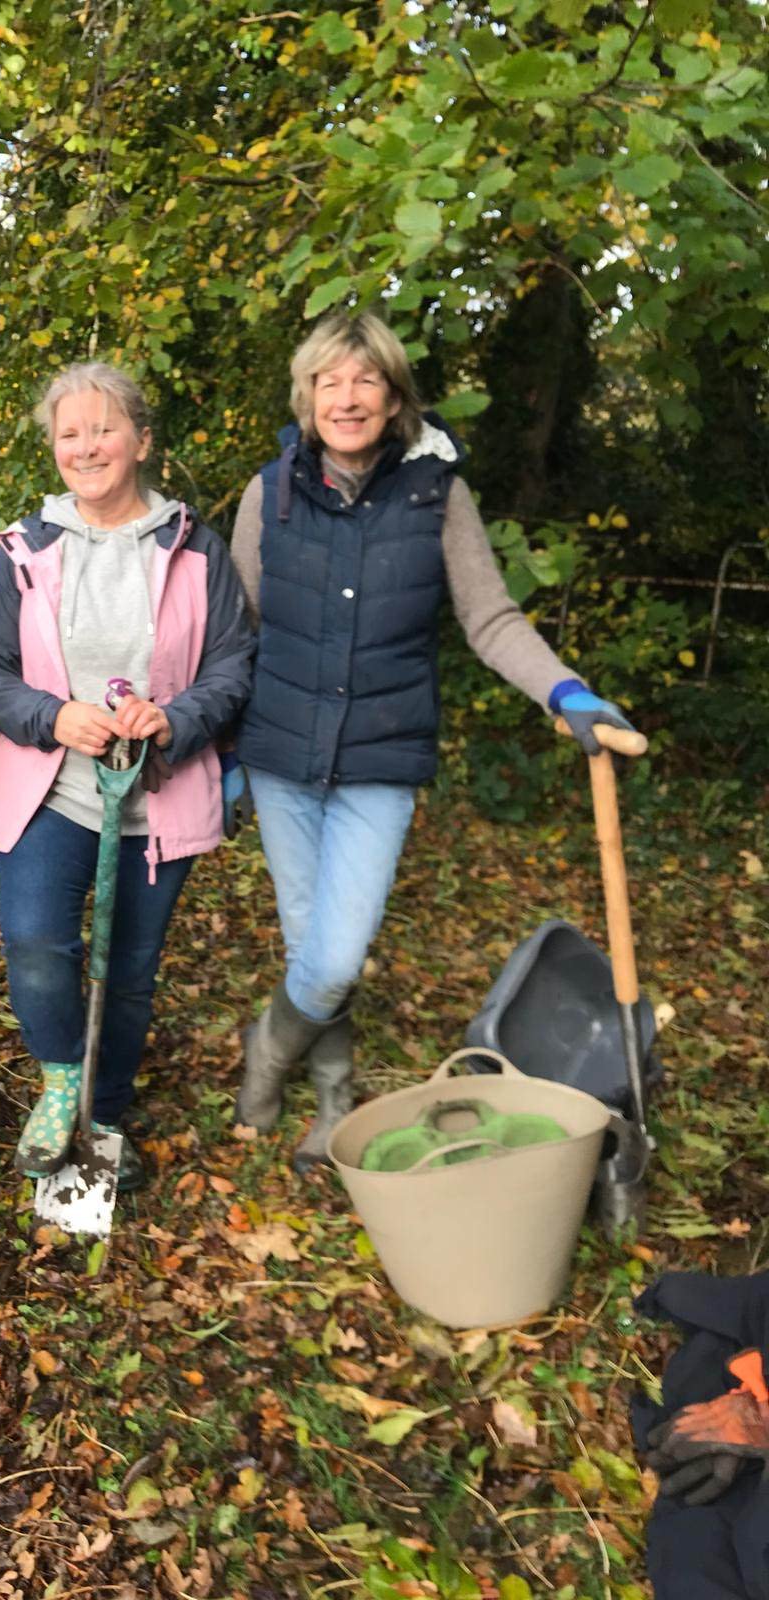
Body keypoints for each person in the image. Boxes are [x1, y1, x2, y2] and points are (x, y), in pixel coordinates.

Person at [230, 310, 642, 1174]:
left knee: (337, 955)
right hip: (281, 757)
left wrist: (564, 690)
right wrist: (219, 747)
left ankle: (270, 1046)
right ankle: (334, 1089)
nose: (347, 397)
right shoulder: (267, 495)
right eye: (329, 381)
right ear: (307, 397)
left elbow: (489, 617)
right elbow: (237, 631)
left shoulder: (438, 496)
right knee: (312, 944)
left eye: (365, 379)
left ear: (394, 396)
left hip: (380, 758)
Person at [0, 361, 253, 1189]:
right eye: (69, 433)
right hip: (52, 791)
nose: (86, 447)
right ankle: (61, 1078)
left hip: (156, 800)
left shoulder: (196, 546)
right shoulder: (26, 549)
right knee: (36, 942)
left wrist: (177, 718)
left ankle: (104, 1110)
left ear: (141, 440)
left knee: (127, 971)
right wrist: (52, 716)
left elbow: (233, 663)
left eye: (103, 428)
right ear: (53, 448)